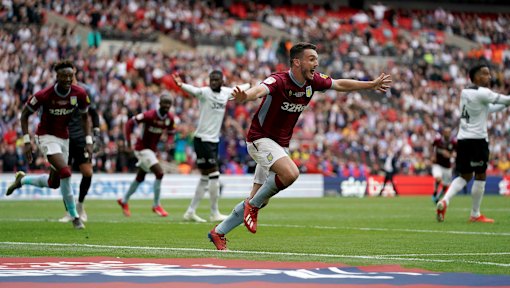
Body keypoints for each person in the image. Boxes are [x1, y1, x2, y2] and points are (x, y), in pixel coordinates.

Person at [208, 42, 392, 250]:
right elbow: (259, 89)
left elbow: (340, 84)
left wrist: (370, 84)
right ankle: (252, 207)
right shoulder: (279, 80)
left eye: (316, 59)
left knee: (260, 198)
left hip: (279, 145)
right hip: (260, 140)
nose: (316, 63)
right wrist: (245, 96)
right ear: (297, 62)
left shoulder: (314, 82)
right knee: (290, 174)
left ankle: (219, 232)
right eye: (311, 59)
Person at [5, 60, 92, 230]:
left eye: (70, 75)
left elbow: (85, 117)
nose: (67, 79)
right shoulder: (44, 95)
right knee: (66, 171)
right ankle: (74, 216)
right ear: (56, 76)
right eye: (64, 76)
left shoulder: (79, 94)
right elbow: (24, 115)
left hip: (64, 138)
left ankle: (22, 180)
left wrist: (88, 140)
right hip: (45, 137)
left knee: (54, 183)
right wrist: (27, 141)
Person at [436, 64, 510, 223]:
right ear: (475, 77)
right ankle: (475, 214)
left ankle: (445, 201)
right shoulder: (483, 93)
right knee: (480, 175)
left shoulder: (466, 92)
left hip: (462, 140)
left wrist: (505, 104)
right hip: (478, 141)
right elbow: (505, 100)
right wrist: (506, 102)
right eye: (485, 74)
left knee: (465, 175)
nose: (489, 77)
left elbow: (489, 109)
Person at [172, 71, 250, 223]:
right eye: (211, 79)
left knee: (204, 177)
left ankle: (190, 211)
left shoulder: (226, 93)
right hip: (202, 139)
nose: (213, 82)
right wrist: (181, 85)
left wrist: (250, 84)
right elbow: (194, 90)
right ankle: (214, 212)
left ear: (222, 81)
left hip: (213, 141)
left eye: (216, 79)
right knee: (214, 175)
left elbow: (240, 88)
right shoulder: (205, 93)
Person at [117, 93, 176, 217]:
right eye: (164, 103)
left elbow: (171, 132)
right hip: (142, 149)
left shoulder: (169, 118)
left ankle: (124, 200)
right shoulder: (149, 115)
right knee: (159, 173)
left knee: (140, 177)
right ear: (159, 103)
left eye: (168, 104)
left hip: (151, 151)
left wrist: (169, 142)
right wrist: (128, 142)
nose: (166, 106)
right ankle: (156, 205)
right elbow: (129, 123)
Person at [59, 72, 101, 223]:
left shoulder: (83, 92)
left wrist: (96, 133)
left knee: (88, 172)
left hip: (80, 138)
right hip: (62, 138)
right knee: (64, 174)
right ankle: (69, 211)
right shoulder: (56, 92)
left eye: (72, 75)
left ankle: (80, 205)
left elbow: (94, 114)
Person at [431, 127, 456, 204]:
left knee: (445, 186)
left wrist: (450, 155)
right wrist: (432, 156)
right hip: (437, 164)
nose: (447, 134)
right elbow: (432, 147)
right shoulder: (438, 141)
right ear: (443, 133)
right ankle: (435, 192)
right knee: (438, 178)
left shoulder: (453, 143)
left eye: (449, 132)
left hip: (447, 167)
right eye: (446, 132)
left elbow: (455, 153)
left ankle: (437, 197)